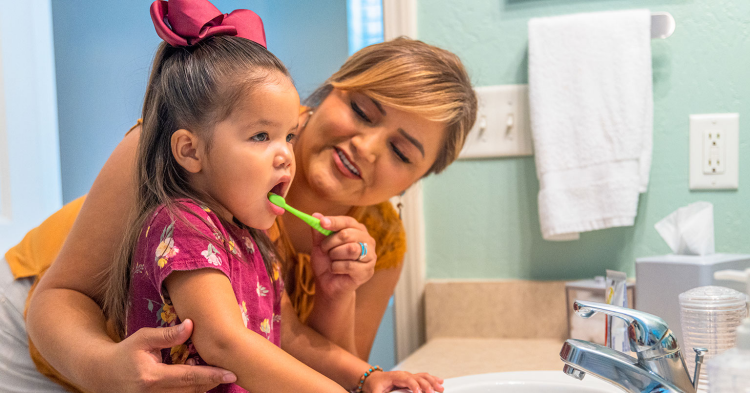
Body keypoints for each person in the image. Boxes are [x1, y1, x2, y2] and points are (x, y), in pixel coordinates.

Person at [4, 1, 476, 391]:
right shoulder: (181, 163)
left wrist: (339, 301)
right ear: (329, 91)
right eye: (362, 110)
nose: (366, 148)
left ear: (415, 181)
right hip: (38, 334)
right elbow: (66, 298)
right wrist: (105, 368)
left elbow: (290, 341)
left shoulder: (365, 238)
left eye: (400, 151)